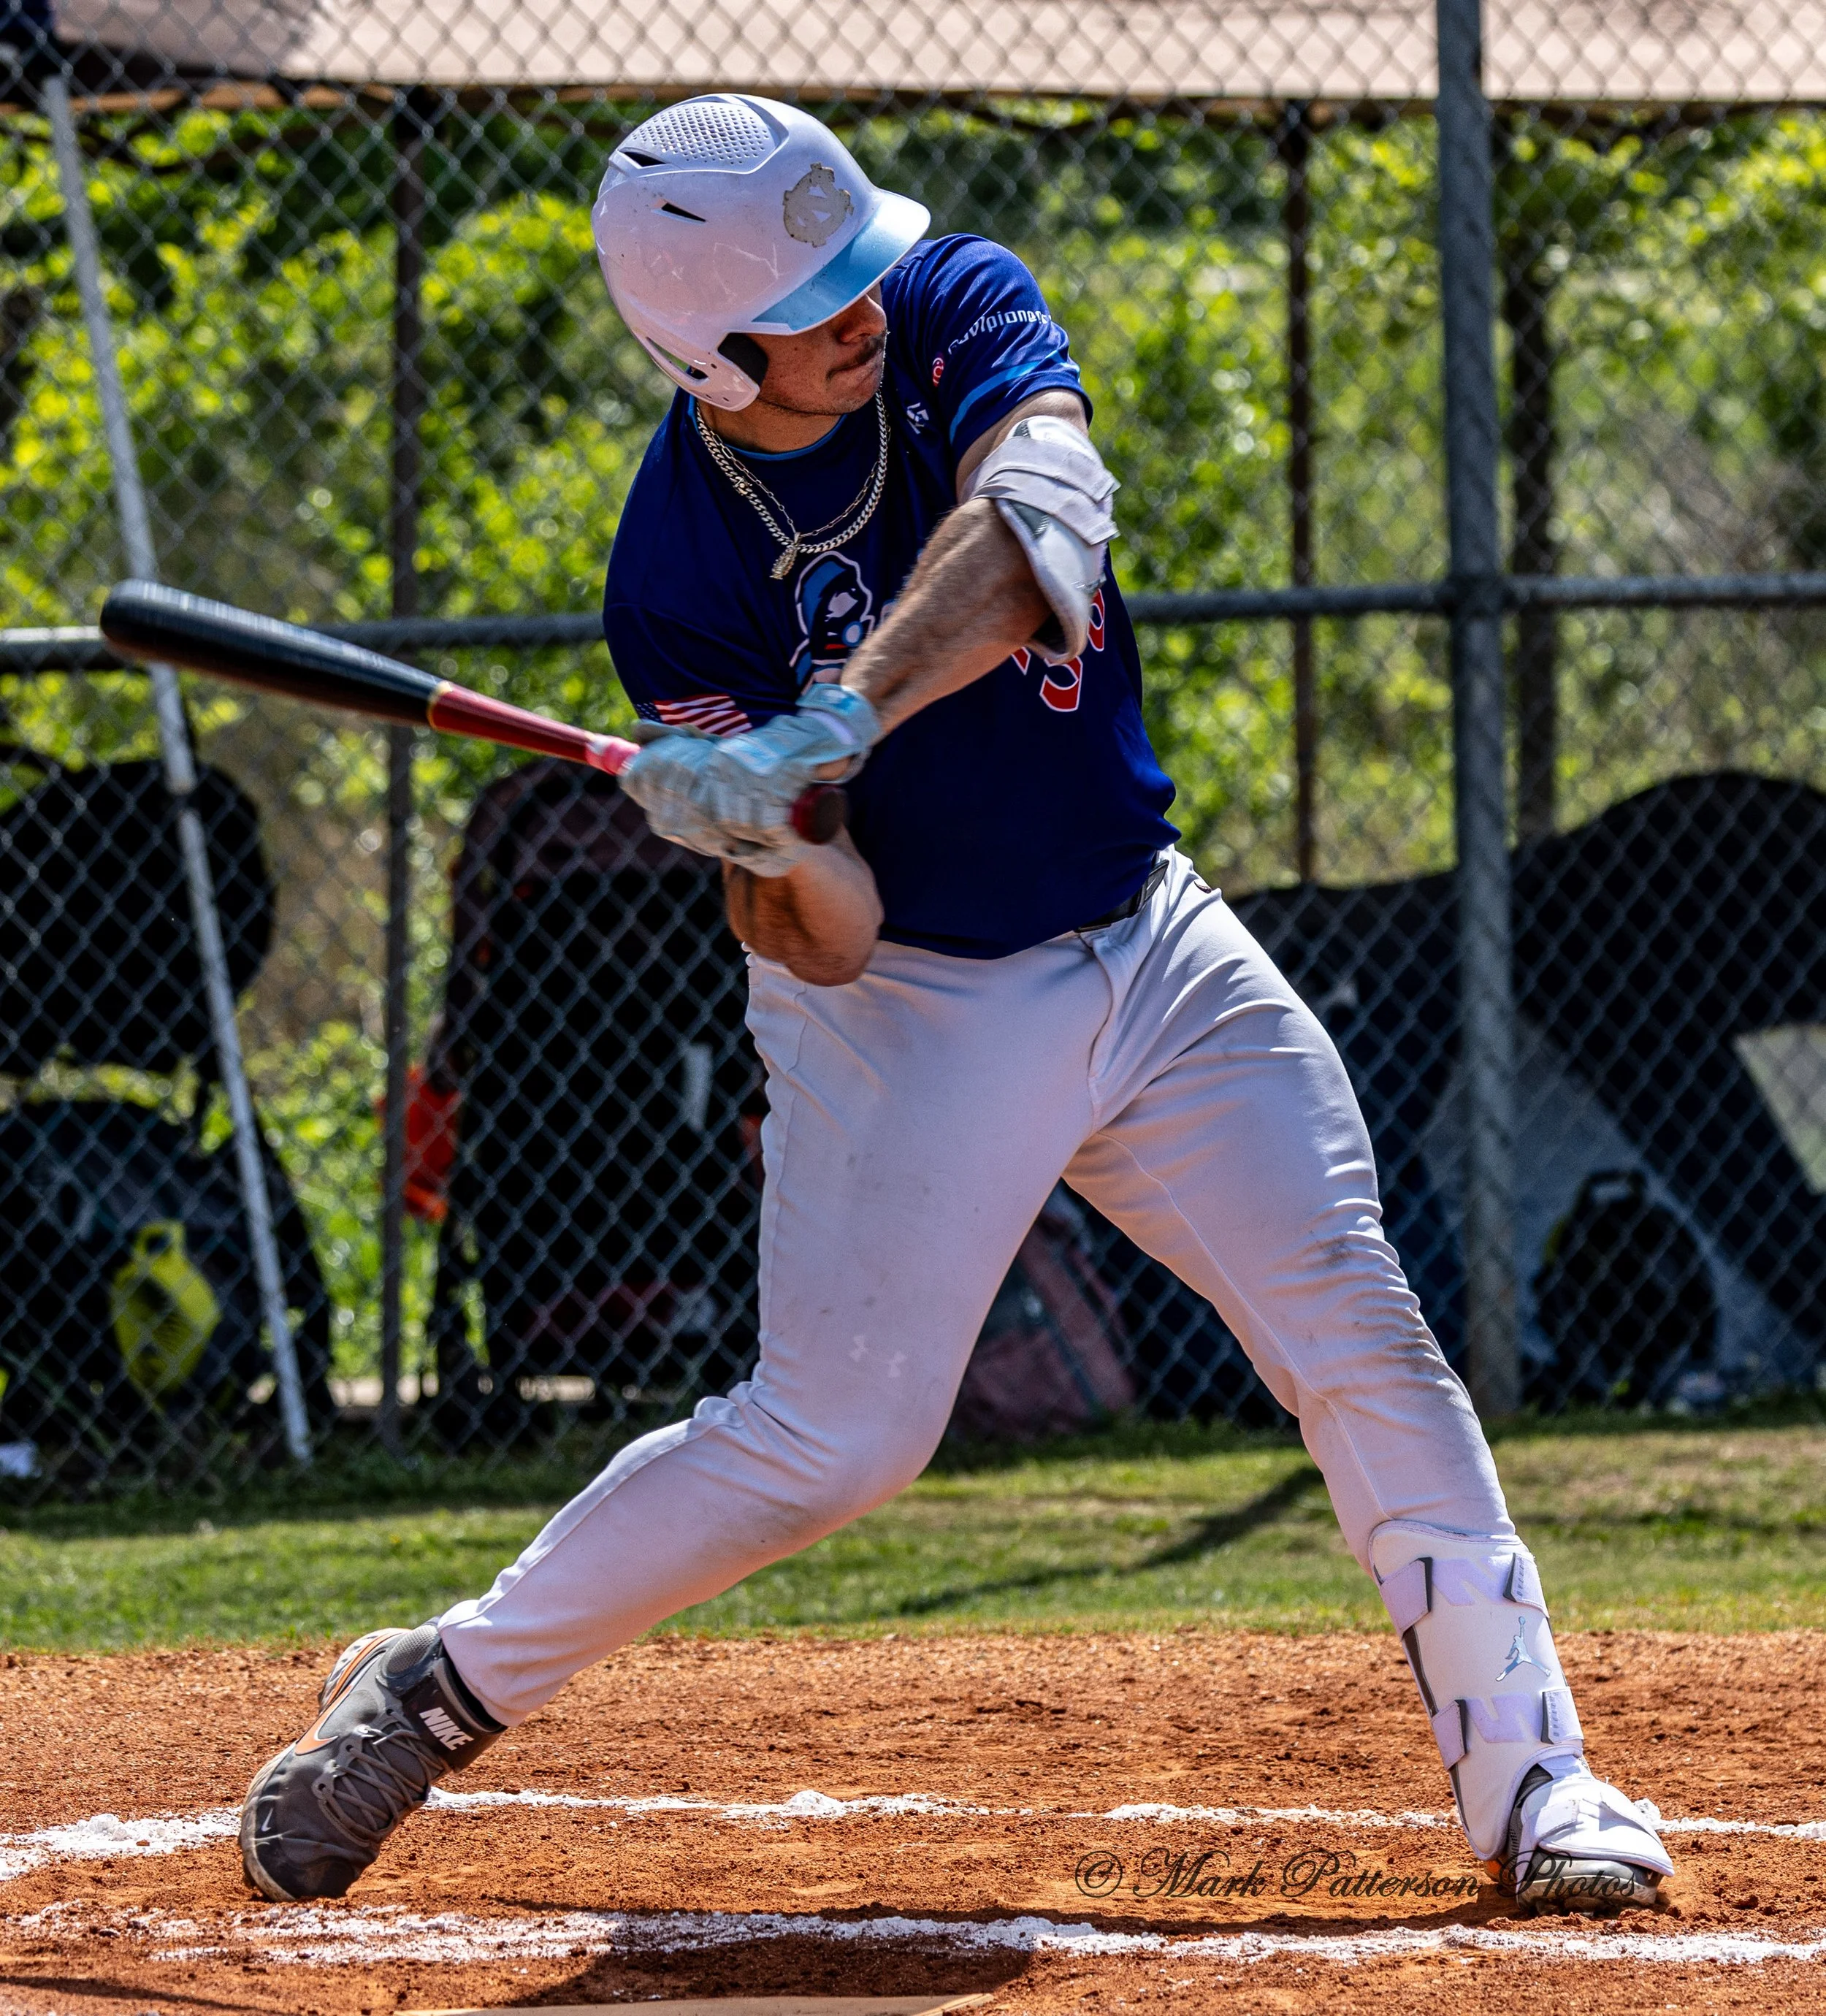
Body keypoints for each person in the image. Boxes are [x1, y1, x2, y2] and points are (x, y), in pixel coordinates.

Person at [240, 94, 1673, 1919]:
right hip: (911, 1007)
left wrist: (839, 710)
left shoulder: (952, 303)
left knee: (1352, 1324)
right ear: (704, 352)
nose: (863, 304)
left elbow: (1035, 526)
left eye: (857, 270)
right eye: (811, 299)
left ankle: (1538, 1781)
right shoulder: (675, 575)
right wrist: (753, 822)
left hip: (1144, 938)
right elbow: (821, 937)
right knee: (834, 1442)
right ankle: (439, 1690)